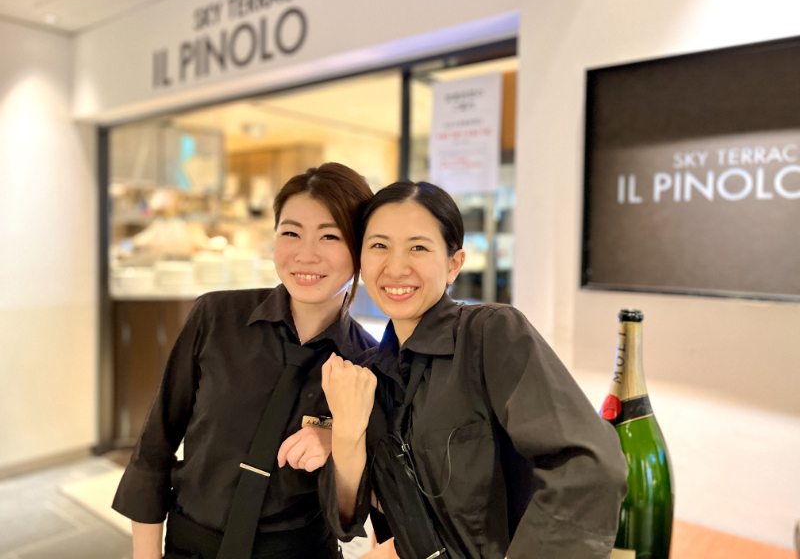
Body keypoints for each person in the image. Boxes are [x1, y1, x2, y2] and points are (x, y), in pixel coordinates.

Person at [320, 181, 629, 559]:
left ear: (454, 264)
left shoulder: (490, 334)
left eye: (418, 247)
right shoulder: (367, 375)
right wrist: (346, 433)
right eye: (379, 246)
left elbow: (589, 468)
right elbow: (348, 521)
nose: (396, 267)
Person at [112, 163, 377, 559]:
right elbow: (154, 449)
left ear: (360, 249)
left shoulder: (368, 364)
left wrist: (342, 441)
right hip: (191, 547)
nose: (306, 255)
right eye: (291, 233)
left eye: (330, 236)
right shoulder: (215, 317)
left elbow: (350, 519)